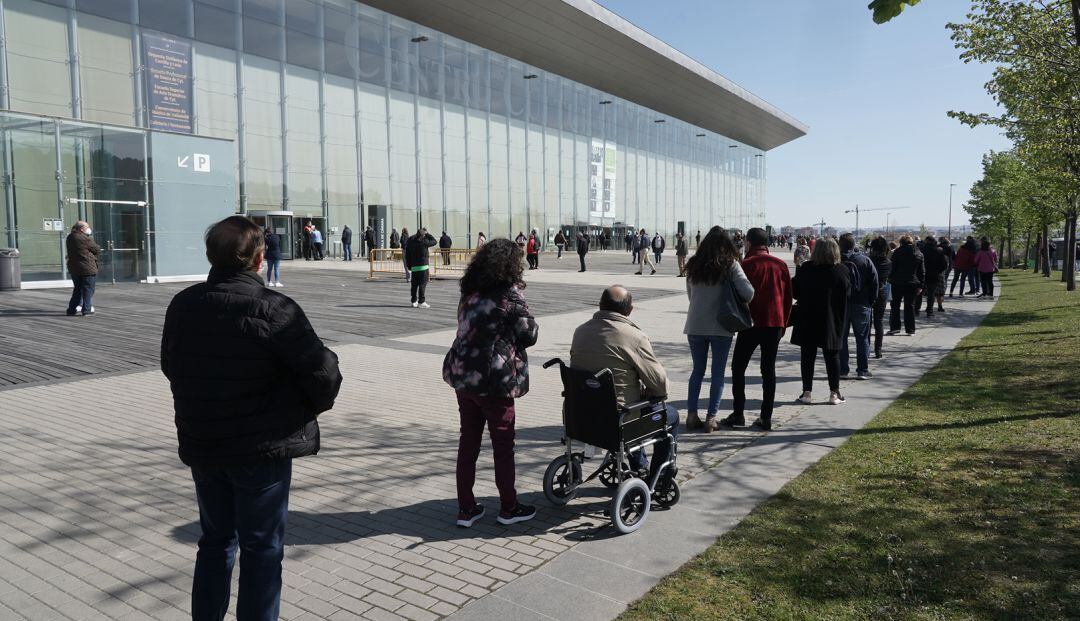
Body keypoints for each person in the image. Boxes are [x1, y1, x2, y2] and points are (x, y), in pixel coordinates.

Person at [161, 216, 342, 621]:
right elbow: (323, 373)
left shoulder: (184, 304)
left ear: (212, 256)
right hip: (260, 450)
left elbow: (170, 365)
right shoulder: (275, 308)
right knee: (261, 549)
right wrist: (299, 409)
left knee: (215, 541)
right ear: (260, 259)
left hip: (205, 441)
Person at [443, 238, 538, 527]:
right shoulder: (508, 295)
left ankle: (466, 508)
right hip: (493, 380)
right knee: (502, 444)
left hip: (464, 375)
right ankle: (508, 507)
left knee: (468, 442)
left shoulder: (469, 293)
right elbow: (529, 333)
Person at [570, 286, 679, 484]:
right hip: (618, 419)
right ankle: (658, 477)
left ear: (601, 305)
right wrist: (650, 392)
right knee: (669, 415)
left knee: (631, 406)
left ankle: (639, 466)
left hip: (580, 415)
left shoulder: (580, 331)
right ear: (629, 310)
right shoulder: (634, 337)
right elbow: (661, 386)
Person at [683, 226, 755, 431]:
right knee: (717, 374)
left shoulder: (693, 264)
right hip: (721, 326)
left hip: (695, 324)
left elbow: (691, 295)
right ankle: (711, 418)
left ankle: (691, 415)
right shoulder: (730, 264)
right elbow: (748, 293)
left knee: (697, 371)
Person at [722, 227, 791, 431]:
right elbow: (788, 297)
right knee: (768, 370)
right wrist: (784, 323)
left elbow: (736, 296)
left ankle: (739, 413)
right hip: (775, 323)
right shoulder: (781, 265)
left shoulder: (746, 265)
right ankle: (766, 416)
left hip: (750, 324)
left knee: (738, 368)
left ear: (748, 243)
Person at [791, 238, 850, 406]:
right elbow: (847, 294)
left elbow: (794, 291)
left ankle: (807, 392)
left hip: (808, 317)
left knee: (807, 356)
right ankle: (834, 392)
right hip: (831, 318)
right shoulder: (841, 270)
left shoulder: (806, 269)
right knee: (832, 356)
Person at [838, 233, 879, 380]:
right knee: (862, 338)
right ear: (854, 244)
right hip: (861, 303)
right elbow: (875, 282)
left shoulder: (836, 261)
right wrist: (871, 301)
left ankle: (843, 369)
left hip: (841, 304)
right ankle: (862, 369)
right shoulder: (864, 260)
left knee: (841, 338)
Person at [887, 235, 924, 336]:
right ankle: (910, 329)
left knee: (895, 305)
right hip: (912, 282)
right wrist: (921, 285)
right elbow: (921, 272)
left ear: (901, 242)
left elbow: (892, 268)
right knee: (910, 306)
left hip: (897, 282)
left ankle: (895, 327)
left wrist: (889, 278)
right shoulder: (918, 253)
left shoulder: (897, 252)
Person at [65, 221, 100, 316]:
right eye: (87, 227)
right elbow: (96, 249)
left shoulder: (70, 237)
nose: (89, 229)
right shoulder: (85, 238)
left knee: (77, 289)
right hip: (87, 268)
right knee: (88, 289)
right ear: (81, 229)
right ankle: (87, 309)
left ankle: (71, 309)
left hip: (74, 268)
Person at [868, 237, 892, 359]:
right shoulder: (888, 262)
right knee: (879, 321)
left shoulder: (869, 260)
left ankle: (866, 349)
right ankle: (878, 350)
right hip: (882, 291)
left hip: (868, 291)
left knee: (868, 321)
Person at [405, 228, 437, 307]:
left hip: (414, 267)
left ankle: (413, 300)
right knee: (422, 284)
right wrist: (427, 233)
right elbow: (434, 241)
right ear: (423, 236)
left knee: (414, 285)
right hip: (423, 267)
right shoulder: (424, 242)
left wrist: (409, 266)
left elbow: (407, 255)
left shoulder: (411, 242)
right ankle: (421, 301)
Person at [921, 236, 947, 318]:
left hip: (921, 274)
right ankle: (930, 310)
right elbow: (944, 265)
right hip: (933, 274)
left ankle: (916, 309)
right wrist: (938, 271)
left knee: (919, 292)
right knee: (931, 294)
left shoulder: (922, 250)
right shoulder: (938, 251)